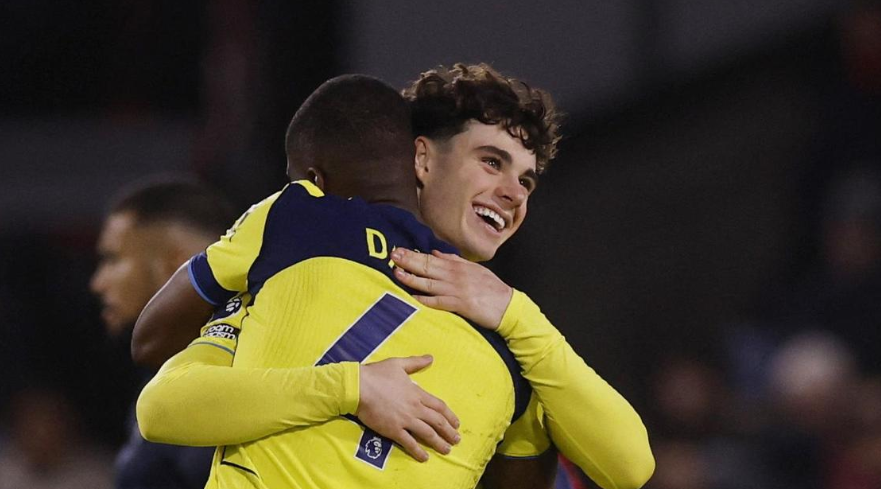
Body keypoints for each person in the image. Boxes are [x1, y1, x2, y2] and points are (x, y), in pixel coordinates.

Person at [135, 68, 654, 488]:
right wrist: (351, 388)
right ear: (422, 158)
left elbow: (631, 467)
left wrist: (516, 314)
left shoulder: (515, 341)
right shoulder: (302, 230)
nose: (515, 193)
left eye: (526, 181)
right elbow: (162, 405)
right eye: (491, 162)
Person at [90, 178, 236, 489]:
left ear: (175, 268)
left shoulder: (222, 390)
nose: (98, 283)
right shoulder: (166, 375)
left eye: (113, 259)